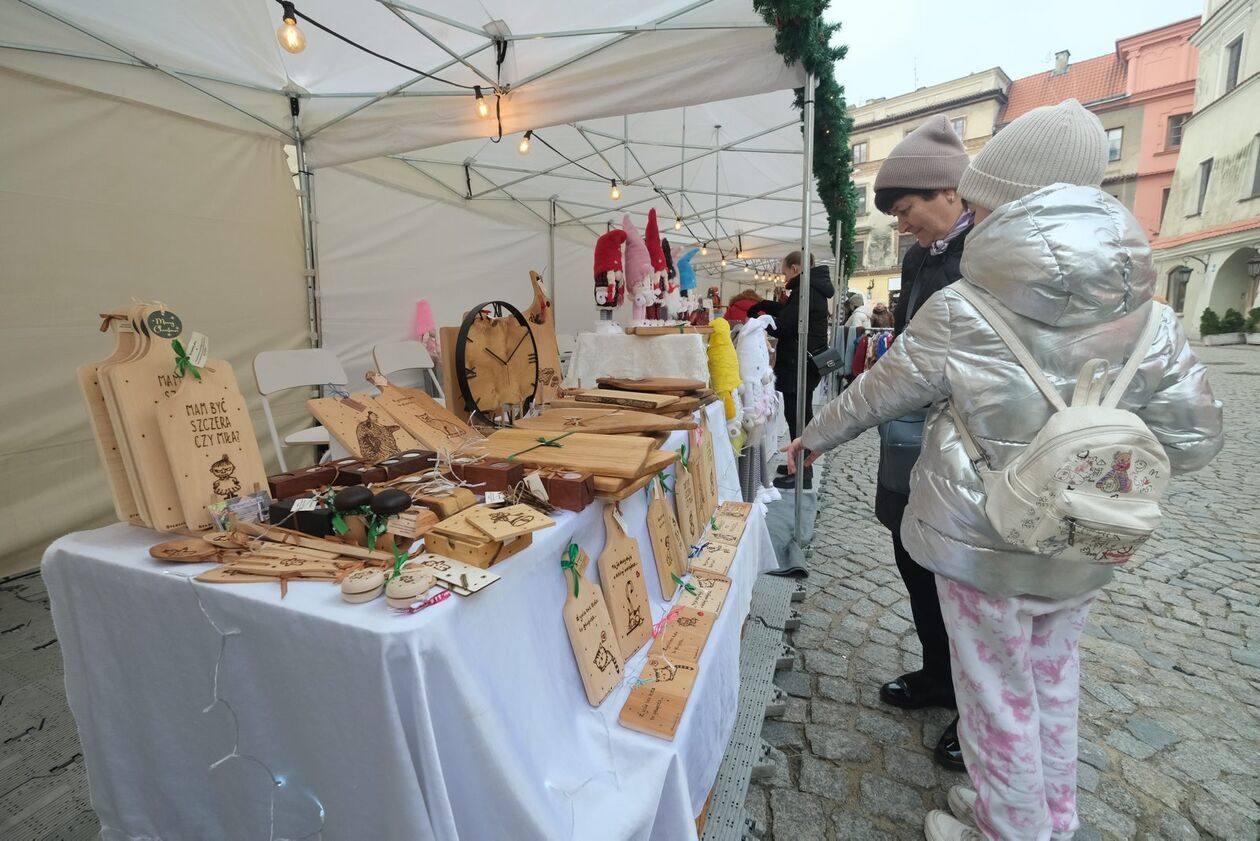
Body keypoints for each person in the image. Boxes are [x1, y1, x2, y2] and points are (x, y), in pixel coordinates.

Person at [784, 99, 1223, 841]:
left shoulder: (966, 308)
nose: (974, 220)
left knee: (994, 695)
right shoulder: (1154, 318)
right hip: (1083, 538)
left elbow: (877, 392)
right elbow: (1196, 437)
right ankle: (1043, 817)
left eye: (983, 205)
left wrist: (813, 438)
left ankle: (1007, 830)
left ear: (1012, 207)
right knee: (1052, 681)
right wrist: (1091, 446)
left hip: (980, 539)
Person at [869, 113, 975, 771]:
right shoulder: (917, 258)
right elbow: (911, 346)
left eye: (907, 210)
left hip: (972, 453)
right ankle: (939, 674)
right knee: (913, 560)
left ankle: (978, 705)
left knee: (965, 580)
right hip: (910, 439)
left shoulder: (991, 252)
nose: (903, 226)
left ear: (948, 193)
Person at [769, 250, 834, 490]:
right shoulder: (811, 289)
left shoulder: (806, 291)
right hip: (805, 364)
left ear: (795, 268)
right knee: (799, 416)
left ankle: (802, 473)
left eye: (785, 271)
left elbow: (784, 326)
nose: (784, 276)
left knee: (798, 419)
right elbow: (792, 318)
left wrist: (764, 317)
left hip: (800, 365)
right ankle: (798, 465)